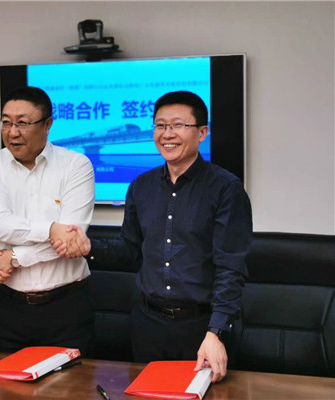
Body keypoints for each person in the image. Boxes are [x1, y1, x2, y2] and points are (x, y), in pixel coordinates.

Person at [54, 91, 252, 382]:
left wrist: (216, 332)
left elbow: (230, 268)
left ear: (202, 132)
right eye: (160, 125)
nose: (167, 134)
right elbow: (130, 251)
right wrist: (88, 247)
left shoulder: (226, 189)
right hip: (148, 325)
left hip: (203, 327)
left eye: (178, 125)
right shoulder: (141, 186)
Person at [0, 86, 95, 356]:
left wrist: (14, 257)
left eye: (22, 123)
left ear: (48, 124)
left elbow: (71, 242)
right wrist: (51, 229)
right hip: (11, 308)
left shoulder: (76, 165)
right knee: (8, 380)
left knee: (71, 381)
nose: (12, 132)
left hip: (67, 306)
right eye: (6, 123)